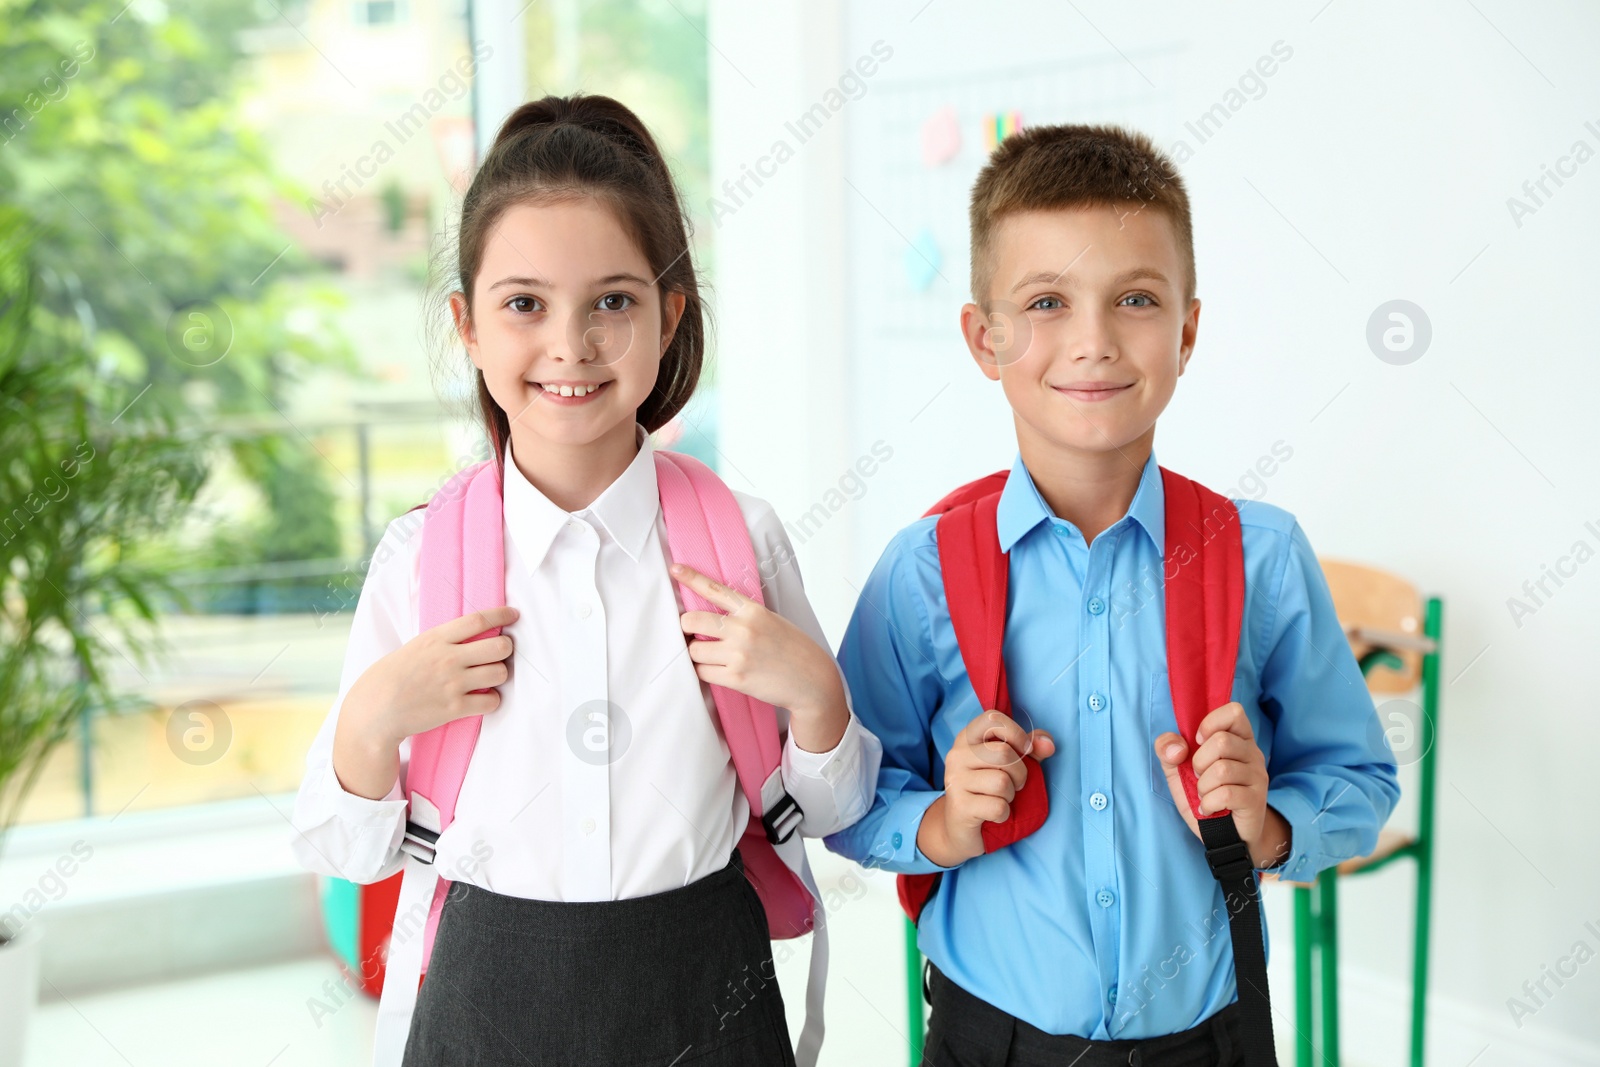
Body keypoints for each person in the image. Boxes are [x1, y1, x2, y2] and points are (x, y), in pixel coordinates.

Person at [289, 93, 881, 1067]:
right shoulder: (418, 561)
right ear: (466, 325)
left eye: (613, 300)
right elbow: (345, 849)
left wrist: (816, 697)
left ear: (668, 316)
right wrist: (369, 721)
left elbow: (833, 809)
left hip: (709, 994)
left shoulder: (742, 538)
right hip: (488, 1005)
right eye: (524, 302)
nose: (571, 343)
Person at [824, 122, 1400, 1066]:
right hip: (988, 1036)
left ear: (1186, 330)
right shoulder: (922, 570)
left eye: (1135, 298)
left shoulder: (1263, 557)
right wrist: (938, 819)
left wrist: (1271, 821)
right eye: (1046, 300)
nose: (1092, 342)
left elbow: (1363, 780)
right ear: (984, 338)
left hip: (1209, 1037)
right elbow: (842, 799)